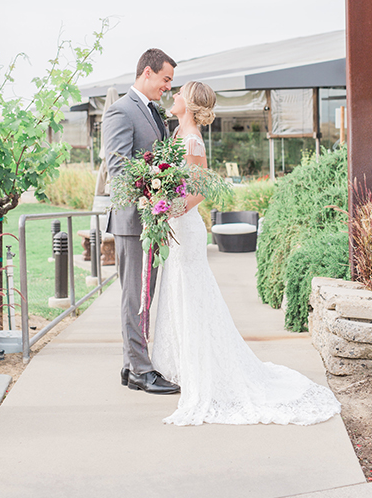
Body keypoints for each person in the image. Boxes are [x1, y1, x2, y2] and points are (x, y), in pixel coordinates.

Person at [152, 81, 342, 426]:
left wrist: (168, 207)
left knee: (192, 296)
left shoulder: (192, 139)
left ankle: (204, 374)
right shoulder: (179, 135)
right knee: (178, 293)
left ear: (190, 104)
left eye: (179, 94)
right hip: (175, 226)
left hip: (186, 226)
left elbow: (198, 192)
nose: (174, 97)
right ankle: (186, 367)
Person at [103, 48, 180, 395]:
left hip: (151, 219)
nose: (167, 87)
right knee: (135, 297)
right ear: (147, 73)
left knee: (142, 296)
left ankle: (129, 365)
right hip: (133, 220)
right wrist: (150, 198)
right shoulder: (120, 111)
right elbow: (119, 170)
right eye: (165, 80)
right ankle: (141, 370)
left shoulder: (153, 112)